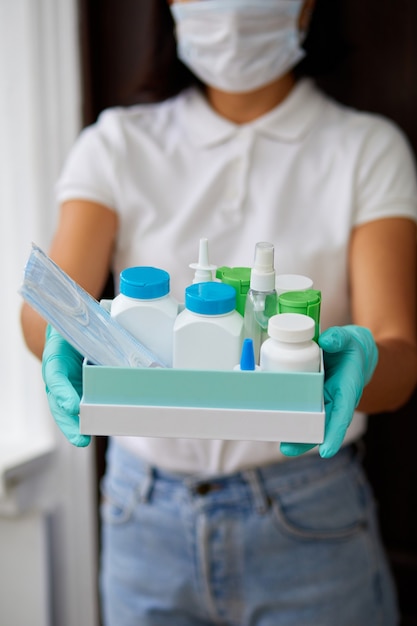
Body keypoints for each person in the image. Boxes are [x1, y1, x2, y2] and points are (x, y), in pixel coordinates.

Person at [20, 0, 417, 624]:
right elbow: (45, 313)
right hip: (140, 515)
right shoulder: (118, 143)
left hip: (308, 514)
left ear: (308, 8)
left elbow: (399, 355)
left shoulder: (365, 147)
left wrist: (357, 365)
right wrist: (70, 333)